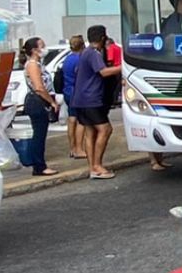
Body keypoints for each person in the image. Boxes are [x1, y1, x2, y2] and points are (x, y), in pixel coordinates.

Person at [69, 25, 121, 179]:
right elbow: (104, 72)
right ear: (103, 38)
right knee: (105, 129)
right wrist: (121, 67)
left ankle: (93, 167)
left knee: (90, 132)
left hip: (80, 99)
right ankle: (97, 165)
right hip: (91, 99)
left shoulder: (85, 53)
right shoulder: (93, 54)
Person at [17, 37, 59, 177]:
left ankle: (39, 164)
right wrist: (52, 102)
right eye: (42, 45)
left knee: (41, 133)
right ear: (35, 50)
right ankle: (39, 166)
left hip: (39, 101)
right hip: (37, 101)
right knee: (39, 135)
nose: (45, 48)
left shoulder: (37, 64)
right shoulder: (33, 65)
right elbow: (39, 87)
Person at [62, 34, 86, 159]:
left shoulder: (67, 59)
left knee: (72, 120)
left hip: (67, 91)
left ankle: (72, 148)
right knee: (82, 121)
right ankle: (79, 148)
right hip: (78, 92)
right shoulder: (80, 59)